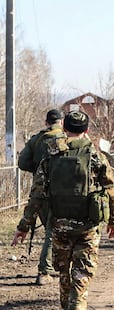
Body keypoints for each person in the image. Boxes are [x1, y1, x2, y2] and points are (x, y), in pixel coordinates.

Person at [11, 111, 114, 310]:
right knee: (82, 277)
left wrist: (24, 227)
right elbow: (111, 188)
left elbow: (37, 194)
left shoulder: (51, 154)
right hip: (89, 227)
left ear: (65, 129)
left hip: (59, 225)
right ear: (87, 130)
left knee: (65, 274)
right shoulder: (95, 155)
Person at [18, 109, 65, 285]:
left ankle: (52, 267)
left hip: (40, 192)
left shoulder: (36, 139)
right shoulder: (65, 138)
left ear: (46, 122)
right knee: (53, 232)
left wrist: (39, 170)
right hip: (61, 191)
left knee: (50, 230)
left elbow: (22, 162)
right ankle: (44, 271)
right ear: (61, 122)